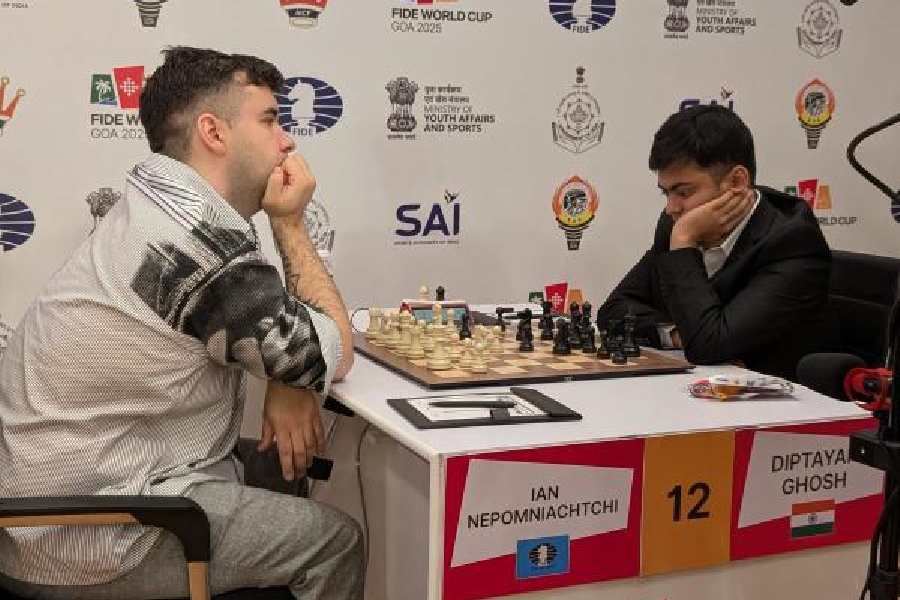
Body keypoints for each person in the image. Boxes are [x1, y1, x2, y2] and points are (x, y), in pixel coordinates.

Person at [0, 46, 362, 599]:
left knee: (281, 468)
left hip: (70, 499)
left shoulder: (160, 208)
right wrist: (289, 222)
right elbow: (328, 352)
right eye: (269, 120)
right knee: (333, 540)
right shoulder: (196, 242)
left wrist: (292, 376)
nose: (287, 141)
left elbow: (298, 352)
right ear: (214, 133)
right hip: (89, 538)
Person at [596, 104, 830, 380]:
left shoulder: (792, 243)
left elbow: (708, 346)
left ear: (737, 181)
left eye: (683, 192)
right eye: (666, 193)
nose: (672, 207)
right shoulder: (674, 222)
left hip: (776, 412)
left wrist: (684, 241)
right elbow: (613, 312)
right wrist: (676, 333)